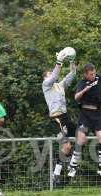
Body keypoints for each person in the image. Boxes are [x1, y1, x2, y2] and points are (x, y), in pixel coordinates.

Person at [42, 50, 77, 183]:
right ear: (45, 78)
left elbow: (72, 74)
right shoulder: (46, 85)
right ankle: (56, 173)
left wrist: (72, 60)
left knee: (82, 135)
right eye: (49, 74)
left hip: (66, 117)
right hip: (57, 119)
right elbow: (55, 75)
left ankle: (72, 166)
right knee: (67, 147)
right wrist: (59, 61)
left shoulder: (60, 85)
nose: (52, 75)